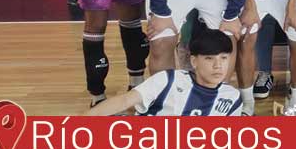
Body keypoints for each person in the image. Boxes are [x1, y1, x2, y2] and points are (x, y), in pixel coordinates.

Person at [85, 27, 242, 116]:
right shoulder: (168, 80)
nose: (218, 66)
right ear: (194, 61)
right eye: (209, 59)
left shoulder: (232, 98)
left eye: (223, 58)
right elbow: (124, 101)